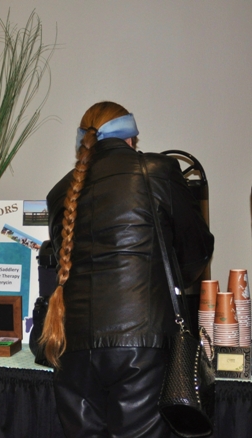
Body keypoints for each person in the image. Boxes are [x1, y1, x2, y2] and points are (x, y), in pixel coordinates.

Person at [40, 101, 214, 437]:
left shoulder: (60, 192)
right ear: (131, 138)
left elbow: (64, 262)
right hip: (142, 346)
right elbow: (196, 252)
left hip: (73, 351)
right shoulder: (158, 171)